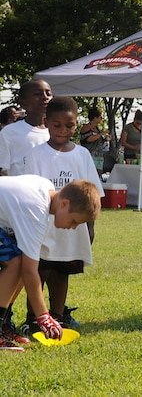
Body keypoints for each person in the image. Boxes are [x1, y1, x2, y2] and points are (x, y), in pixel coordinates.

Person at [19, 96, 105, 335]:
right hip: (43, 226)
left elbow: (92, 194)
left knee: (62, 271)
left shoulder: (81, 155)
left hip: (72, 228)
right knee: (41, 270)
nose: (62, 130)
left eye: (69, 126)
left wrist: (90, 226)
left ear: (76, 125)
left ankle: (58, 316)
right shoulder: (36, 154)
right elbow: (28, 190)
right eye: (57, 125)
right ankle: (34, 318)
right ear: (46, 123)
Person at [0, 175, 100, 351]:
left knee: (21, 260)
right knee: (16, 264)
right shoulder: (36, 212)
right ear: (64, 204)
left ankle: (3, 323)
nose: (73, 227)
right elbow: (30, 271)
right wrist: (43, 316)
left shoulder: (46, 188)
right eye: (75, 221)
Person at [0, 79, 52, 344]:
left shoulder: (54, 132)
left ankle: (5, 319)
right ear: (22, 101)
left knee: (25, 267)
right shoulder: (10, 133)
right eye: (37, 94)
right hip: (14, 212)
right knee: (20, 265)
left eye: (48, 93)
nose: (44, 98)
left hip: (39, 211)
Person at [79, 106, 107, 171]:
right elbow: (88, 139)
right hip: (90, 155)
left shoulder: (97, 128)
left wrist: (105, 139)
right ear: (95, 118)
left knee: (99, 173)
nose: (101, 118)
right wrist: (101, 133)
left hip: (99, 155)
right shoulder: (86, 128)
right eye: (100, 117)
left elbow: (98, 140)